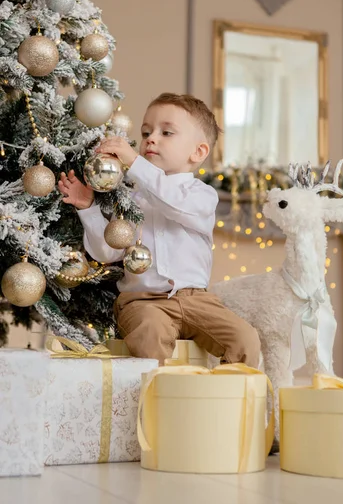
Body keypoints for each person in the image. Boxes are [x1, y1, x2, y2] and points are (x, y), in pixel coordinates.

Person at [58, 92, 260, 367]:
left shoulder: (202, 195)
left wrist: (134, 161)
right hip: (142, 301)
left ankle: (228, 403)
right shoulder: (129, 199)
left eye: (166, 132)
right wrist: (89, 208)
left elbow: (173, 203)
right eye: (145, 132)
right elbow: (107, 251)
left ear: (198, 152)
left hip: (197, 299)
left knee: (245, 339)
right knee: (150, 334)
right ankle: (154, 402)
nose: (151, 138)